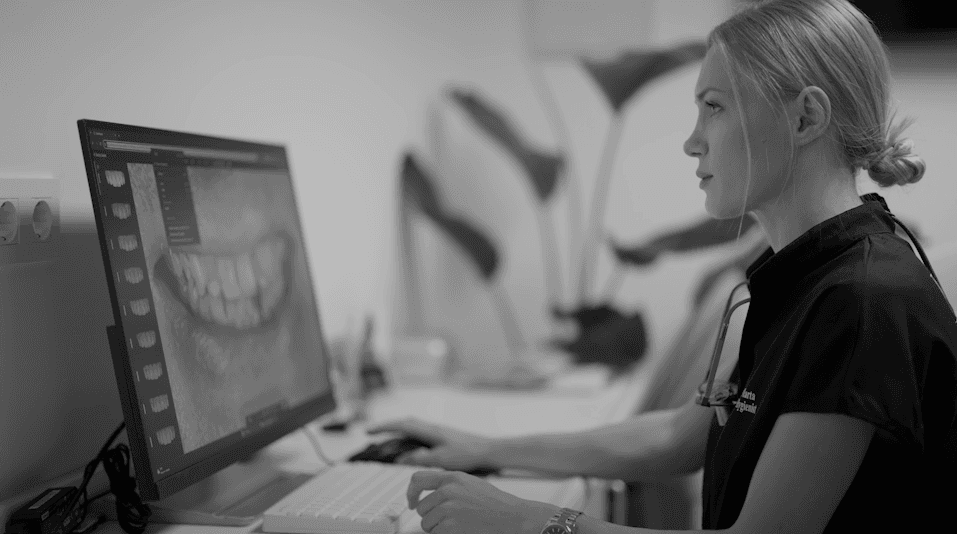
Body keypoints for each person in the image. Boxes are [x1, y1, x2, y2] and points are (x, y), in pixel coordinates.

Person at [368, 0, 957, 532]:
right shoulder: (808, 274)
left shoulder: (862, 301)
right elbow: (680, 435)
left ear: (805, 118)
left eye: (714, 107)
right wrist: (483, 447)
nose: (692, 142)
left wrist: (532, 520)